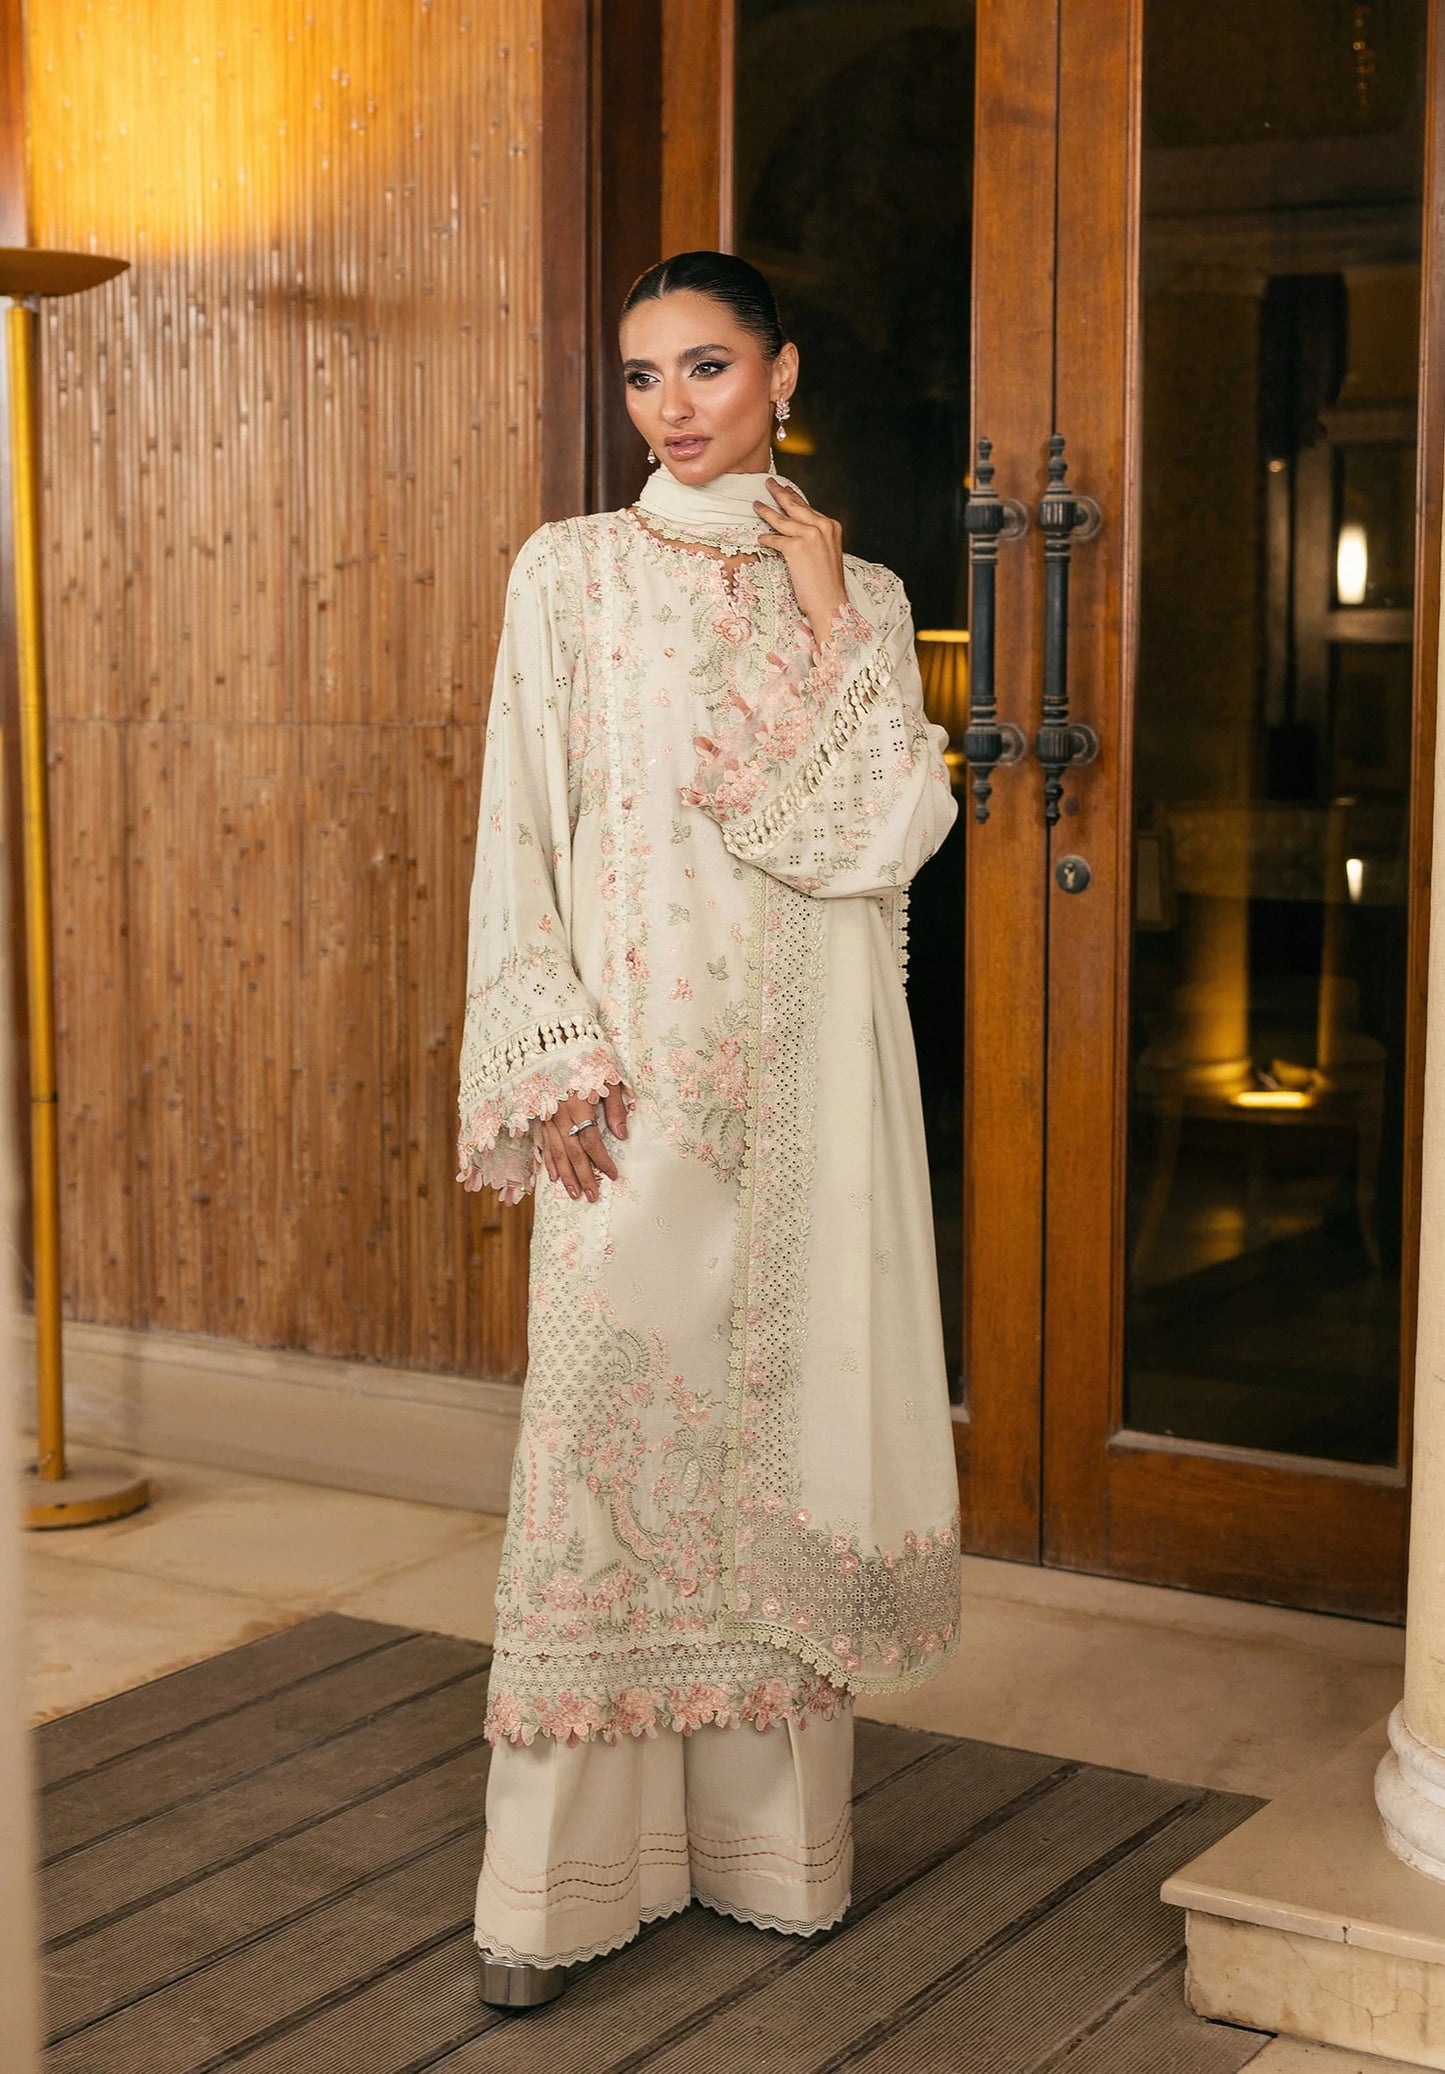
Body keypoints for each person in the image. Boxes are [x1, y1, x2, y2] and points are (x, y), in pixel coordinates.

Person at [457, 250, 960, 2007]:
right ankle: (559, 1892)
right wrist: (551, 1050)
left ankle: (766, 1861)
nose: (670, 407)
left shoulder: (865, 592)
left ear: (781, 374)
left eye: (707, 368)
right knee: (600, 1450)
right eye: (642, 375)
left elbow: (881, 830)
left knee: (778, 1445)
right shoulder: (571, 571)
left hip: (806, 1094)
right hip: (633, 1085)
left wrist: (825, 614)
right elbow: (520, 816)